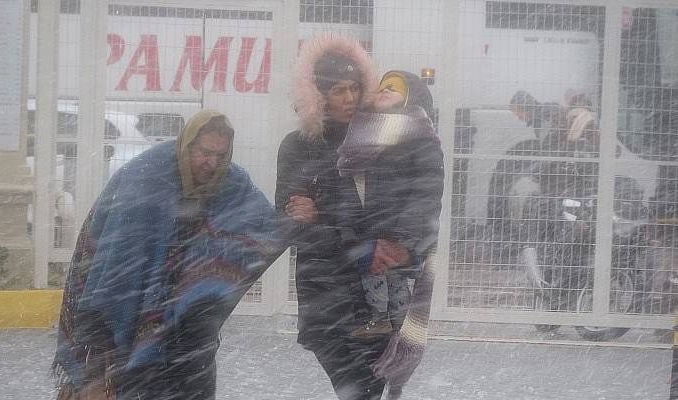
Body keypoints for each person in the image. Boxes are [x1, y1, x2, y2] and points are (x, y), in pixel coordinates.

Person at [53, 110, 283, 399]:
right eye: (204, 152)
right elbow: (112, 275)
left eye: (220, 155)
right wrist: (99, 364)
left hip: (188, 324)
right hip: (129, 303)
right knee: (136, 383)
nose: (211, 163)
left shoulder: (231, 182)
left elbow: (264, 223)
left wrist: (298, 218)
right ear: (187, 145)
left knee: (193, 381)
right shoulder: (146, 180)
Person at [275, 34, 389, 400]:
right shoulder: (299, 146)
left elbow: (392, 212)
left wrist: (325, 219)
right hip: (327, 290)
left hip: (377, 290)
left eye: (356, 88)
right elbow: (294, 224)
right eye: (339, 90)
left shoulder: (376, 144)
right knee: (354, 387)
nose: (350, 98)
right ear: (318, 94)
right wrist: (358, 239)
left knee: (368, 388)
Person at [336, 70, 444, 338]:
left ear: (412, 98)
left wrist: (403, 240)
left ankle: (398, 328)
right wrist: (352, 230)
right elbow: (352, 183)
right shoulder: (367, 132)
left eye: (394, 88)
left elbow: (426, 193)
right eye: (382, 86)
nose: (384, 90)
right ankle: (382, 321)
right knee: (373, 275)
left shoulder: (420, 137)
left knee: (394, 281)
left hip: (397, 232)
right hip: (371, 229)